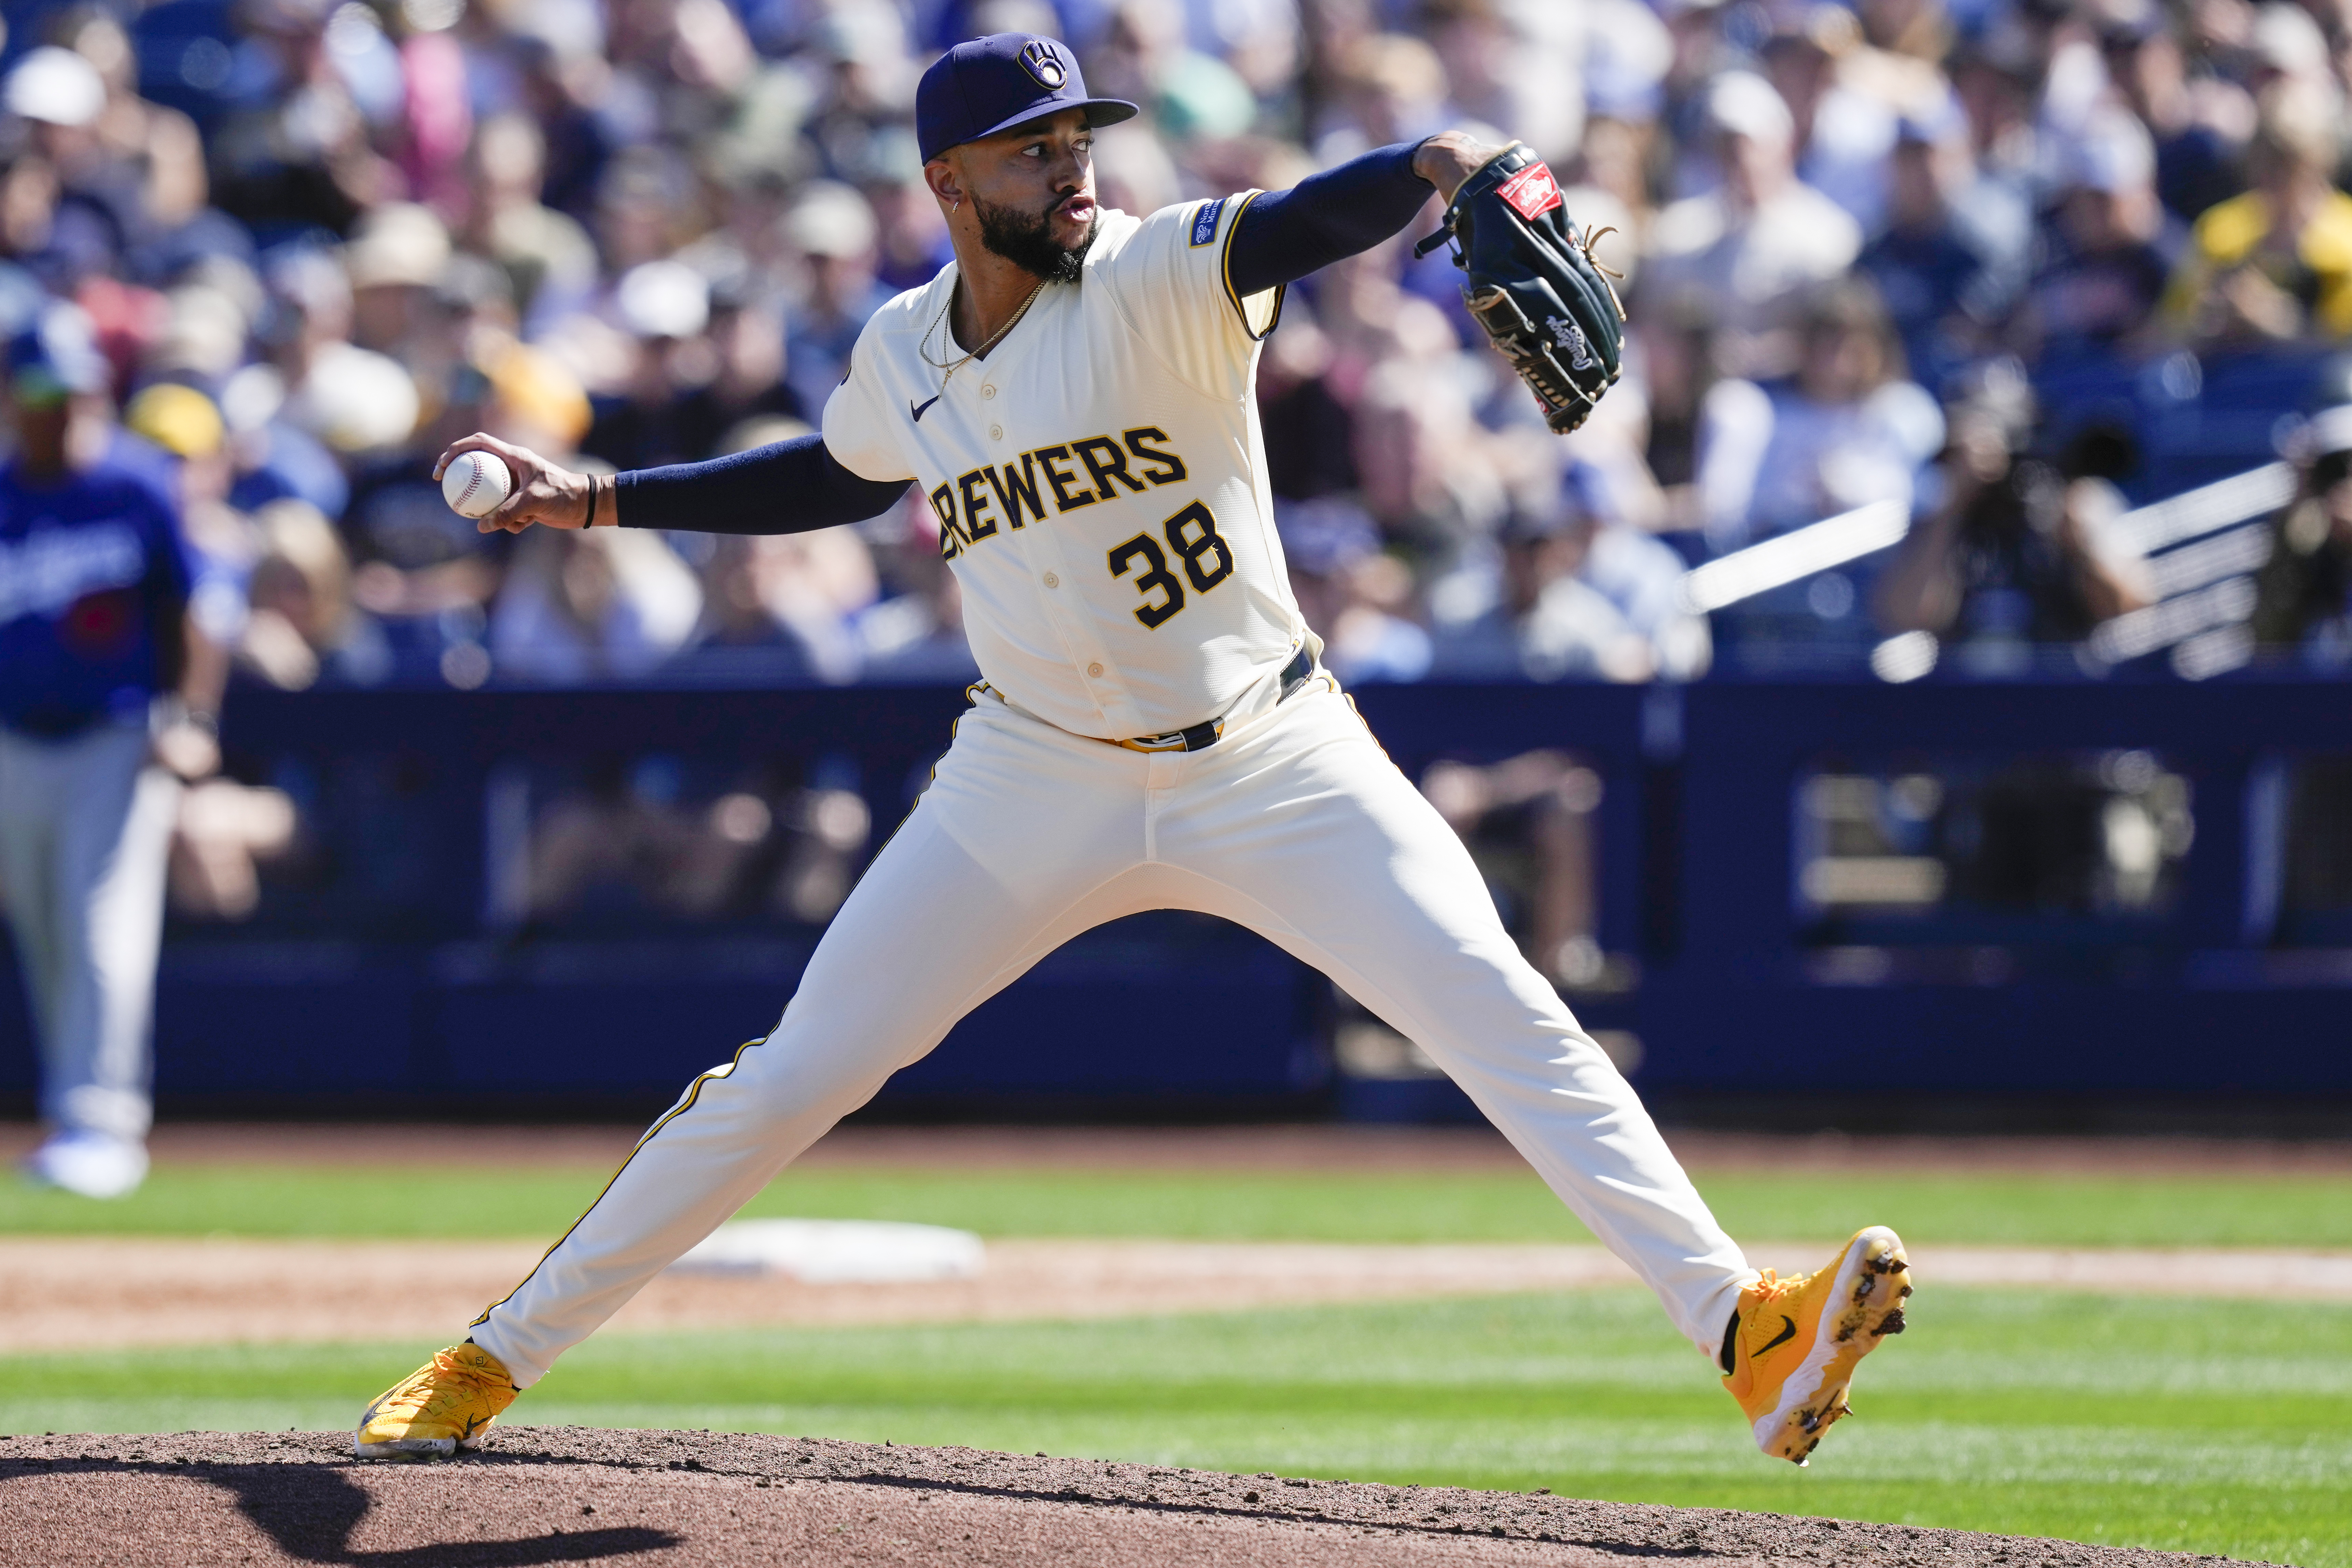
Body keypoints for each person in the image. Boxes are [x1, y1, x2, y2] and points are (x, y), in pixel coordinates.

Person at [351, 32, 1911, 1469]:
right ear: (948, 183)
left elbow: (1302, 218)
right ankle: (494, 1353)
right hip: (1035, 773)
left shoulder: (1163, 271)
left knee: (1506, 1010)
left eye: (1079, 136)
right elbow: (826, 479)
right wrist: (601, 498)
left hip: (1274, 750)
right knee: (800, 1071)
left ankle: (1743, 1329)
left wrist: (1440, 161)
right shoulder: (904, 349)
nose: (1073, 166)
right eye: (1032, 149)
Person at [0, 304, 222, 1198]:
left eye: (82, 389)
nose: (69, 407)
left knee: (100, 925)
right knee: (44, 928)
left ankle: (102, 1123)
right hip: (15, 740)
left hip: (115, 734)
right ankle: (71, 1119)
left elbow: (191, 611)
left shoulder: (134, 487)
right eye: (48, 391)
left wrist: (191, 716)